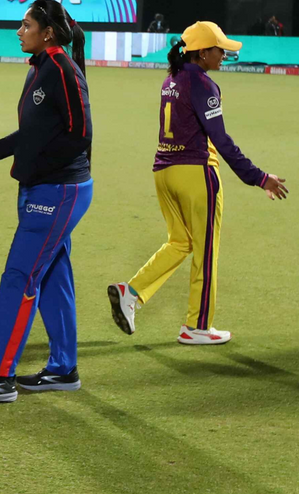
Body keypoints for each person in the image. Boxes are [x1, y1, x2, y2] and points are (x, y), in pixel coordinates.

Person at [108, 22, 288, 345]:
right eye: (220, 50)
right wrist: (260, 178)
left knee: (180, 242)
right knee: (206, 252)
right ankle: (197, 327)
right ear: (202, 53)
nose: (224, 55)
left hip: (163, 172)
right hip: (196, 174)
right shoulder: (204, 84)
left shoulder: (172, 79)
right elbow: (222, 141)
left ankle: (131, 292)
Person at [0, 0, 93, 403]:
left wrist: (40, 170)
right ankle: (63, 369)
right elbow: (31, 134)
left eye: (26, 25)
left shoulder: (61, 69)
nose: (19, 32)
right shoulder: (42, 67)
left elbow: (80, 134)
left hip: (55, 192)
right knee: (53, 277)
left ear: (47, 32)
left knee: (19, 277)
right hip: (46, 189)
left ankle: (0, 378)